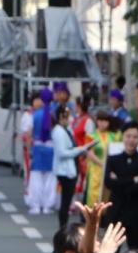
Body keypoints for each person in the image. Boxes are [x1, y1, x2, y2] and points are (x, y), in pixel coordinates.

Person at [104, 120, 138, 249]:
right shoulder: (113, 159)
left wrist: (119, 179)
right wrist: (133, 179)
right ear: (123, 137)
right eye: (128, 136)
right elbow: (109, 183)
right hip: (116, 211)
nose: (131, 140)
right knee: (111, 252)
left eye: (135, 137)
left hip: (137, 213)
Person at [52, 103, 97, 227]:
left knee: (66, 200)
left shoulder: (65, 130)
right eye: (67, 116)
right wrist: (80, 150)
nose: (70, 118)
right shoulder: (59, 132)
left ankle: (63, 225)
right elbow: (62, 153)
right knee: (65, 201)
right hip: (65, 170)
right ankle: (63, 226)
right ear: (62, 117)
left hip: (69, 168)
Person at [27, 88, 57, 216]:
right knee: (50, 178)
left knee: (36, 178)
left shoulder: (33, 115)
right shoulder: (54, 114)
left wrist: (29, 149)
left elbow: (29, 134)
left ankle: (35, 205)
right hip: (51, 148)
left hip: (38, 148)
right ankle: (47, 206)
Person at [83, 110, 117, 208]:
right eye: (100, 120)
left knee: (107, 194)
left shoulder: (113, 136)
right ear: (97, 121)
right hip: (95, 168)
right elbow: (90, 153)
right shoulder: (91, 136)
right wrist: (102, 164)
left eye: (105, 121)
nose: (102, 123)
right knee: (93, 193)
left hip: (109, 169)